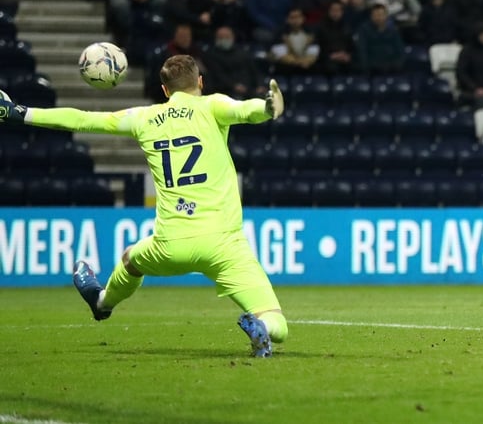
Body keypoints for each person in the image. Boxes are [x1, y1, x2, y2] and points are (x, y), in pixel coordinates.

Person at [0, 55, 288, 357]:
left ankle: (102, 304)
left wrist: (20, 113)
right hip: (224, 245)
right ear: (200, 82)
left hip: (170, 244)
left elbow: (81, 118)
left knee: (130, 261)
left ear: (165, 90)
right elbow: (245, 110)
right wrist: (268, 107)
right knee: (275, 318)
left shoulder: (144, 118)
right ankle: (262, 329)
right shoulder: (212, 106)